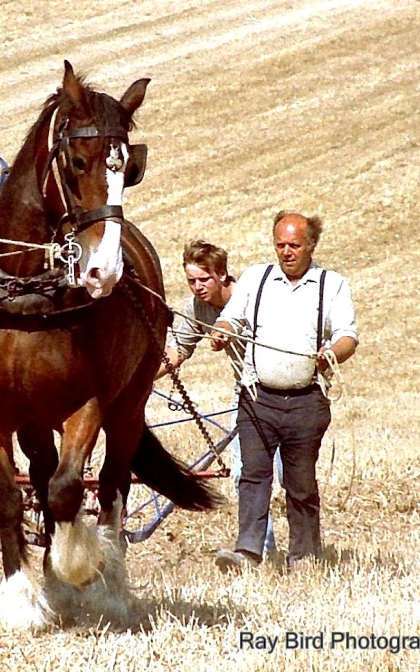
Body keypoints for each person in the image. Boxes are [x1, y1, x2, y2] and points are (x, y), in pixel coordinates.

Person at [210, 211, 358, 571]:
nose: (286, 252)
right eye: (280, 245)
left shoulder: (331, 284)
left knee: (301, 481)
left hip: (307, 401)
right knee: (253, 476)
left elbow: (348, 337)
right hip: (258, 399)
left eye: (294, 245)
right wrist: (223, 330)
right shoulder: (256, 278)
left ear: (311, 245)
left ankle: (304, 555)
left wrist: (329, 355)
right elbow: (231, 316)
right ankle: (247, 552)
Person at [154, 240, 281, 555]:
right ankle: (262, 549)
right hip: (248, 394)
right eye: (191, 281)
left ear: (223, 274)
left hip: (283, 389)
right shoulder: (196, 308)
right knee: (246, 472)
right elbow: (177, 351)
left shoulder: (252, 298)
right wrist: (138, 380)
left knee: (290, 478)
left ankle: (305, 551)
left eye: (204, 279)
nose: (197, 287)